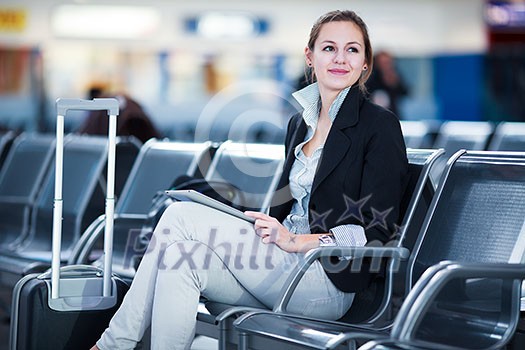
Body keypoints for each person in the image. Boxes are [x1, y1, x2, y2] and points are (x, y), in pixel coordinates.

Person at [91, 9, 408, 350]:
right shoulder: (300, 125)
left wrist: (298, 242)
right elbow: (284, 208)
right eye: (329, 48)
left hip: (325, 278)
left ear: (365, 64)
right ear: (310, 56)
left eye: (352, 50)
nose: (340, 59)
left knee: (179, 216)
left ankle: (111, 345)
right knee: (179, 258)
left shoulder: (379, 126)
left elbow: (377, 232)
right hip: (277, 264)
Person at [366, 50, 408, 118]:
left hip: (393, 114)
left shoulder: (395, 74)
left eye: (388, 62)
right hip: (373, 115)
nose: (386, 65)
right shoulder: (370, 77)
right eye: (383, 62)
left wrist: (394, 83)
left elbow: (405, 92)